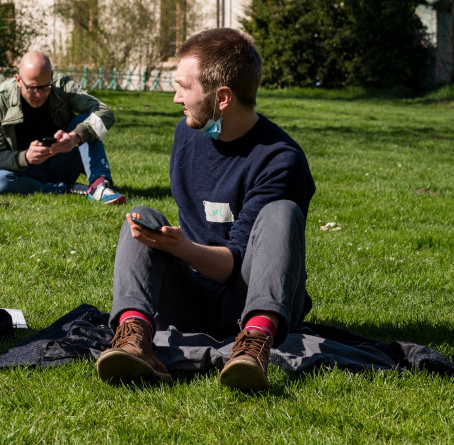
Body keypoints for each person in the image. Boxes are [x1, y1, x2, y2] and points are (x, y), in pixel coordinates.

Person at [96, 28, 315, 392]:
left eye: (184, 87)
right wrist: (167, 242)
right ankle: (134, 339)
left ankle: (254, 346)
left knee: (281, 213)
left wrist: (180, 247)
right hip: (192, 298)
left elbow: (233, 266)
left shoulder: (280, 160)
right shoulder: (188, 133)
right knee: (142, 214)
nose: (175, 98)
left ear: (222, 97)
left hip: (249, 296)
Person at [0, 50, 125, 204]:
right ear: (18, 80)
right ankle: (61, 188)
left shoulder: (62, 86)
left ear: (51, 76)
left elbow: (105, 112)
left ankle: (99, 186)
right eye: (32, 88)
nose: (39, 95)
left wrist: (74, 137)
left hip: (61, 162)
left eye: (45, 87)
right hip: (24, 171)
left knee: (87, 121)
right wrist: (25, 157)